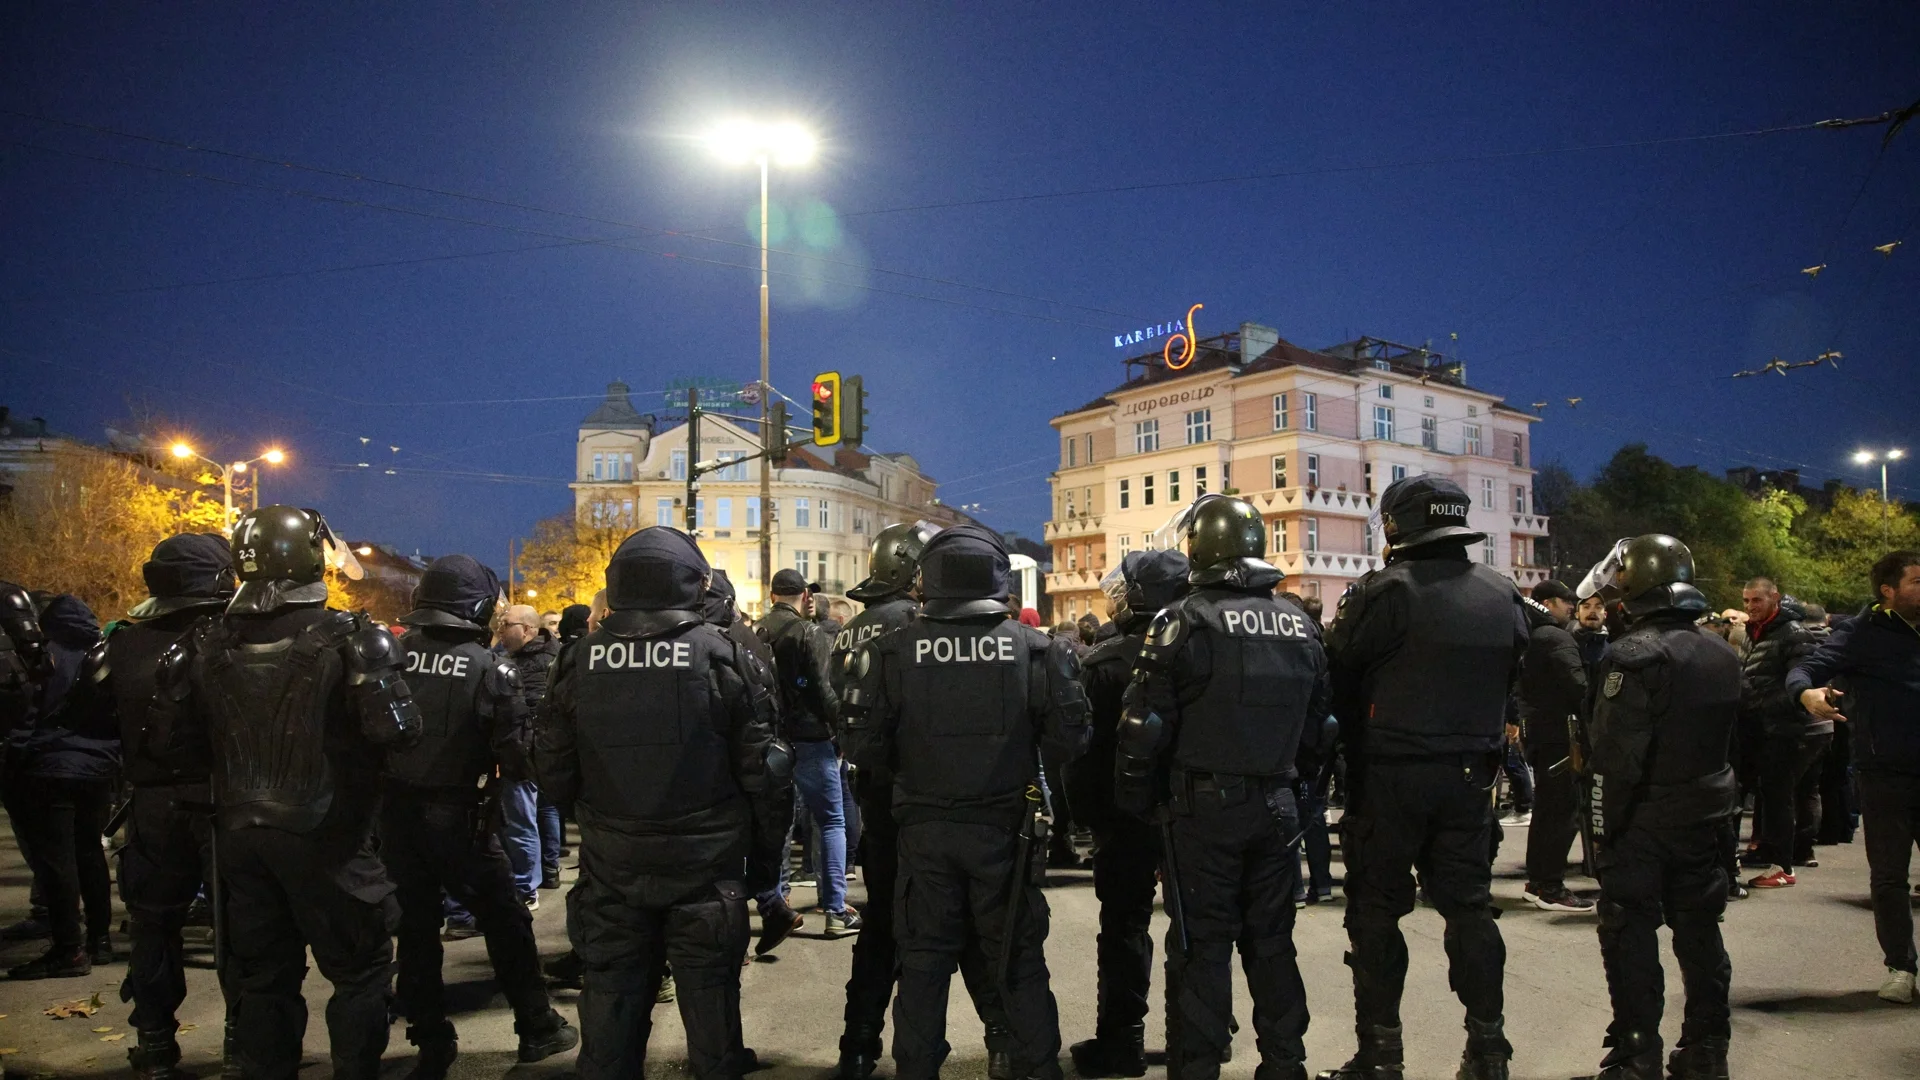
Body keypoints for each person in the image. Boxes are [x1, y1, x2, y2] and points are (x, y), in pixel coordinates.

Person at [148, 505, 421, 1080]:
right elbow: (397, 731)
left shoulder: (200, 644)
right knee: (361, 971)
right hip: (330, 835)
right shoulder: (354, 639)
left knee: (264, 977)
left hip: (240, 836)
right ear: (308, 558)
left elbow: (171, 747)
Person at [536, 526, 789, 1080]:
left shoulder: (579, 659)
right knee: (710, 1006)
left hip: (611, 862)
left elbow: (552, 773)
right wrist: (763, 866)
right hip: (706, 866)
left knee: (610, 1002)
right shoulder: (723, 655)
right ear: (692, 584)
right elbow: (765, 776)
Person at [843, 524, 1090, 1080]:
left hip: (924, 831)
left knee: (924, 962)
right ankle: (1033, 1067)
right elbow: (1071, 741)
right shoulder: (1036, 649)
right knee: (1018, 959)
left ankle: (917, 1069)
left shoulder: (891, 649)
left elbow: (862, 746)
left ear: (927, 581)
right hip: (1006, 831)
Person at [1114, 495, 1330, 1080]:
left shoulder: (1184, 620)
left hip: (1203, 809)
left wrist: (1137, 805)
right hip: (1278, 805)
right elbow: (1321, 729)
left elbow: (1144, 728)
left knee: (1202, 945)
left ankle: (1199, 1066)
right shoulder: (1299, 622)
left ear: (1200, 550)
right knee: (1272, 943)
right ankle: (1286, 1064)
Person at [1319, 475, 1528, 1080]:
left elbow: (1339, 679)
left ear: (1396, 526)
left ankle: (1382, 1056)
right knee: (1470, 911)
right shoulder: (1503, 593)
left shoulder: (1382, 593)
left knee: (1377, 914)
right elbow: (1518, 670)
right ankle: (1488, 1049)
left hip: (1390, 775)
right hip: (1471, 778)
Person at [384, 556, 576, 1077]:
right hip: (460, 819)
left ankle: (428, 1034)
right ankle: (536, 1025)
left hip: (395, 818)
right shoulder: (490, 668)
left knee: (417, 927)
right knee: (505, 918)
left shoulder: (390, 655)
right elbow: (516, 759)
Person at [828, 523, 1007, 1080]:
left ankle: (859, 1046)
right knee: (966, 928)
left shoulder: (847, 633)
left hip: (876, 804)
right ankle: (1001, 1039)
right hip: (926, 803)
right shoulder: (916, 626)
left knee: (881, 928)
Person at [61, 535, 231, 1073]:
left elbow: (84, 720)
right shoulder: (231, 639)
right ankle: (247, 1042)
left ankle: (155, 1042)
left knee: (155, 924)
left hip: (153, 805)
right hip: (224, 803)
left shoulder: (116, 645)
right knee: (242, 924)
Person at [1573, 535, 1738, 1079]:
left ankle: (1636, 1052)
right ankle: (1707, 1049)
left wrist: (1600, 828)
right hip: (1708, 814)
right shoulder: (1720, 650)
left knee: (1628, 932)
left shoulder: (1635, 656)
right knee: (1699, 930)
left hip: (1645, 820)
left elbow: (1616, 761)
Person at [1062, 549, 1190, 1078]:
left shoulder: (1107, 660)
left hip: (1124, 819)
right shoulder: (1203, 647)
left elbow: (1083, 757)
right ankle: (1199, 1037)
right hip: (1194, 814)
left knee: (1123, 930)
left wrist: (1090, 821)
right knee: (1197, 928)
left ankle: (1122, 1042)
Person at [1788, 550, 1920, 1004]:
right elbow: (1806, 668)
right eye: (1917, 581)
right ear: (1889, 590)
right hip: (1884, 772)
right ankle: (1901, 967)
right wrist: (1806, 694)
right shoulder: (1862, 633)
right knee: (1889, 876)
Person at [4, 592, 112, 980]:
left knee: (57, 861)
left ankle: (69, 948)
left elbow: (27, 715)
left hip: (51, 766)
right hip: (100, 769)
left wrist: (15, 758)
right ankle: (100, 939)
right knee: (89, 853)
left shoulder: (43, 657)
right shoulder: (104, 654)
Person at [757, 569, 861, 934]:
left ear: (772, 597)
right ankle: (834, 909)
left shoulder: (755, 633)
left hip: (771, 741)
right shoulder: (808, 632)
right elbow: (823, 688)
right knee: (830, 820)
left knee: (779, 823)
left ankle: (779, 902)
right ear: (804, 596)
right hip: (812, 739)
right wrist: (841, 730)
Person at [1738, 578, 1827, 888]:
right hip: (1761, 727)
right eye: (1746, 601)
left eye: (1756, 601)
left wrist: (1756, 702)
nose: (1750, 607)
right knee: (1767, 794)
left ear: (1773, 598)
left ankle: (1783, 867)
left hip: (1786, 729)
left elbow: (1801, 682)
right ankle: (1769, 853)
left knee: (1779, 796)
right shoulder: (1756, 631)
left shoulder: (1793, 634)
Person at [1516, 580, 1595, 913]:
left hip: (1538, 732)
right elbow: (1578, 687)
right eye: (1567, 602)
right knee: (1562, 811)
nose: (1572, 608)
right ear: (1549, 603)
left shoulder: (1530, 634)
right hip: (1560, 735)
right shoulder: (1555, 637)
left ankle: (1539, 881)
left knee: (1548, 810)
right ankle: (1549, 884)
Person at [493, 603, 561, 908]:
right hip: (526, 749)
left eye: (506, 624)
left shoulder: (543, 662)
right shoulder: (508, 657)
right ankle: (542, 872)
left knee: (523, 820)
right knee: (534, 814)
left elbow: (530, 710)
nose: (500, 629)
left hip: (526, 751)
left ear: (529, 630)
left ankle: (525, 887)